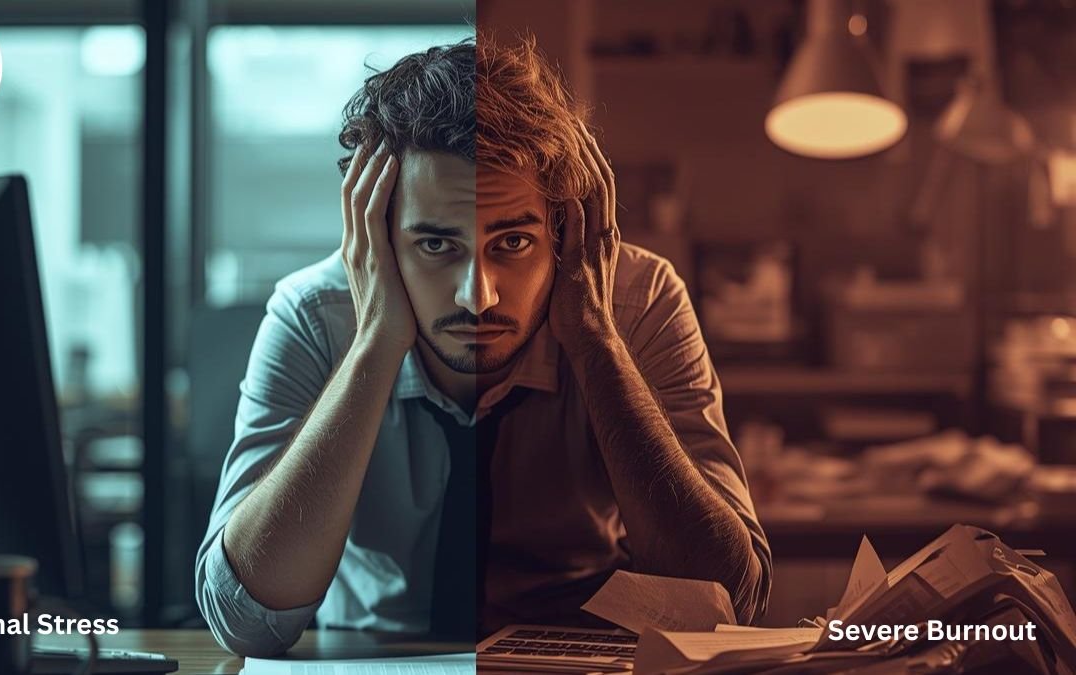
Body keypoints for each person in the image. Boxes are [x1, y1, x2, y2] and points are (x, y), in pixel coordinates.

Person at [195, 37, 771, 657]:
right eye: (437, 246)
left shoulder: (639, 301)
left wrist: (596, 340)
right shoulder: (313, 313)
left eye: (513, 243)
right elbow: (246, 622)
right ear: (380, 237)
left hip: (586, 656)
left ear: (564, 231)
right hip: (373, 655)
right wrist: (374, 344)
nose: (479, 297)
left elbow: (729, 599)